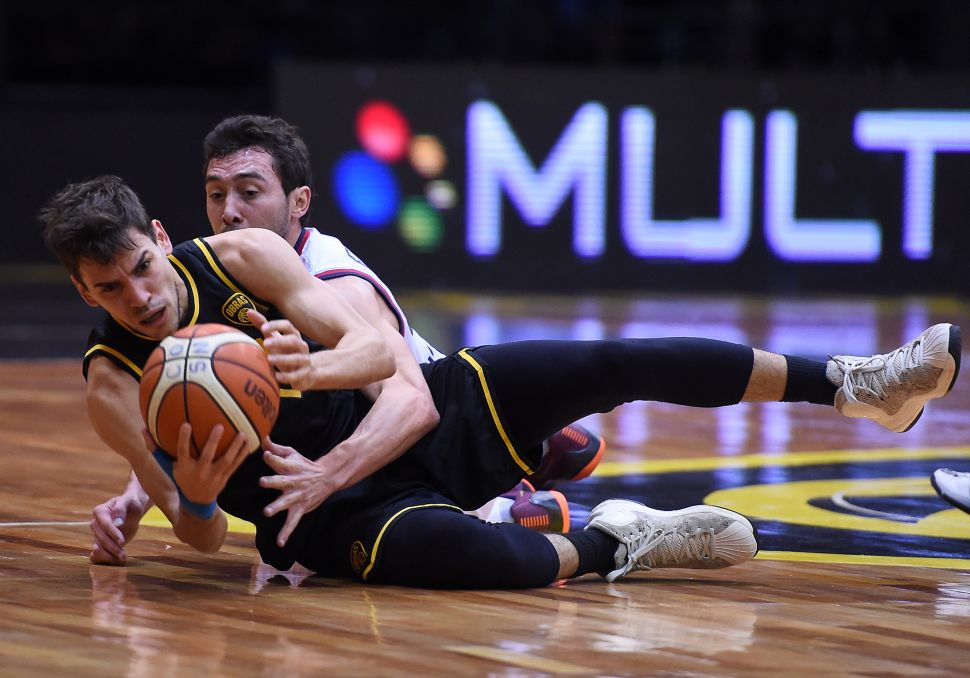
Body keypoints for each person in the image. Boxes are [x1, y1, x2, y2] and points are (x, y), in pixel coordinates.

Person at [42, 176, 958, 588]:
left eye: (140, 269)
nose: (138, 298)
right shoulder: (113, 386)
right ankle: (622, 541)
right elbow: (199, 539)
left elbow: (384, 360)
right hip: (325, 514)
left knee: (610, 359)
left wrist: (306, 368)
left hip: (415, 418)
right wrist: (202, 501)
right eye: (107, 290)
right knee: (491, 567)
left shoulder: (239, 256)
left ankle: (854, 382)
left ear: (158, 239)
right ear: (83, 292)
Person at [88, 114, 601, 563]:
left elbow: (409, 403)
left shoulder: (330, 275)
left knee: (460, 525)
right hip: (362, 423)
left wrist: (323, 475)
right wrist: (139, 492)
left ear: (298, 202)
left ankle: (515, 482)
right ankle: (538, 456)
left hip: (415, 412)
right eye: (217, 195)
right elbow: (201, 400)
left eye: (249, 193)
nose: (230, 212)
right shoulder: (217, 271)